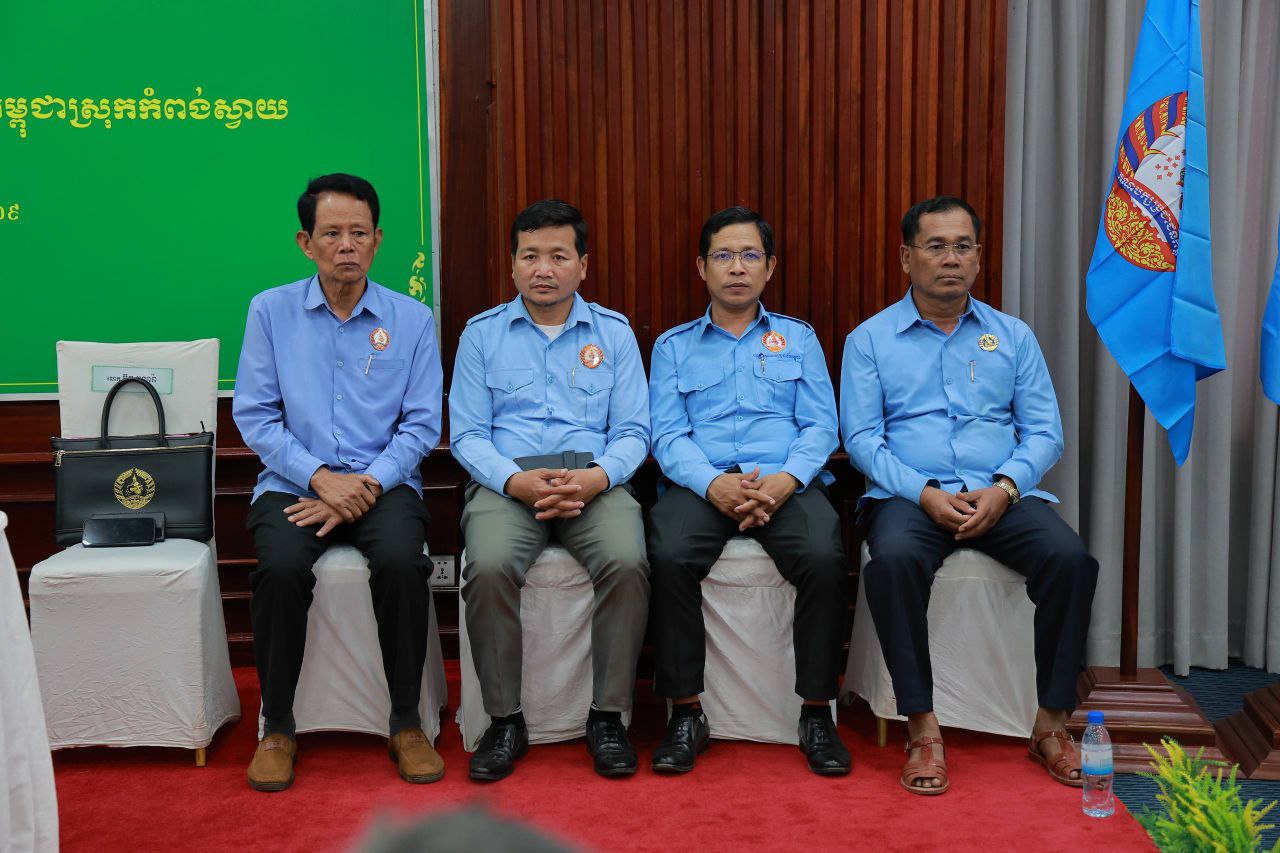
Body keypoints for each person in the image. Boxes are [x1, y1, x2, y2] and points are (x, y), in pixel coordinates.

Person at [840, 195, 1098, 795]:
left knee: (1071, 561)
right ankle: (923, 729)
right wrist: (923, 492)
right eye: (935, 246)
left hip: (1000, 492)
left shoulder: (1013, 336)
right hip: (909, 496)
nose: (950, 259)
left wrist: (1005, 488)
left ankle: (1050, 723)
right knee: (893, 562)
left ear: (979, 258)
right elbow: (861, 439)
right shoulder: (870, 340)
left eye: (962, 246)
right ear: (906, 258)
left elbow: (1045, 433)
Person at [233, 173, 444, 792]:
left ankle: (406, 723)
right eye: (331, 234)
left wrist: (365, 486)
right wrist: (321, 479)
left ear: (378, 240)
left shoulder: (413, 319)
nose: (346, 245)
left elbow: (422, 424)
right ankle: (277, 727)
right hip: (294, 483)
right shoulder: (270, 312)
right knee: (279, 568)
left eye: (359, 232)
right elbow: (255, 415)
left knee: (403, 563)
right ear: (306, 243)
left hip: (385, 483)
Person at [449, 199, 650, 781]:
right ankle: (504, 720)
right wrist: (514, 480)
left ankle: (607, 717)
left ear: (583, 265)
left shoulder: (613, 333)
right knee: (488, 566)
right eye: (530, 256)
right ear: (512, 265)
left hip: (594, 482)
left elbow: (634, 430)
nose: (543, 269)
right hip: (508, 484)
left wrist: (596, 478)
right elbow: (467, 433)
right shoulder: (481, 335)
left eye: (559, 256)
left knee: (628, 561)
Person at [646, 206, 851, 775]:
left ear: (769, 267)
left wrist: (786, 481)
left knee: (823, 556)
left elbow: (821, 426)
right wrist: (713, 484)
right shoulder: (672, 347)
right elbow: (667, 434)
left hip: (785, 480)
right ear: (702, 268)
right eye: (723, 256)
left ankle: (816, 712)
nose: (737, 268)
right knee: (668, 554)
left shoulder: (799, 338)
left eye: (749, 255)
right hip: (702, 483)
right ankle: (686, 712)